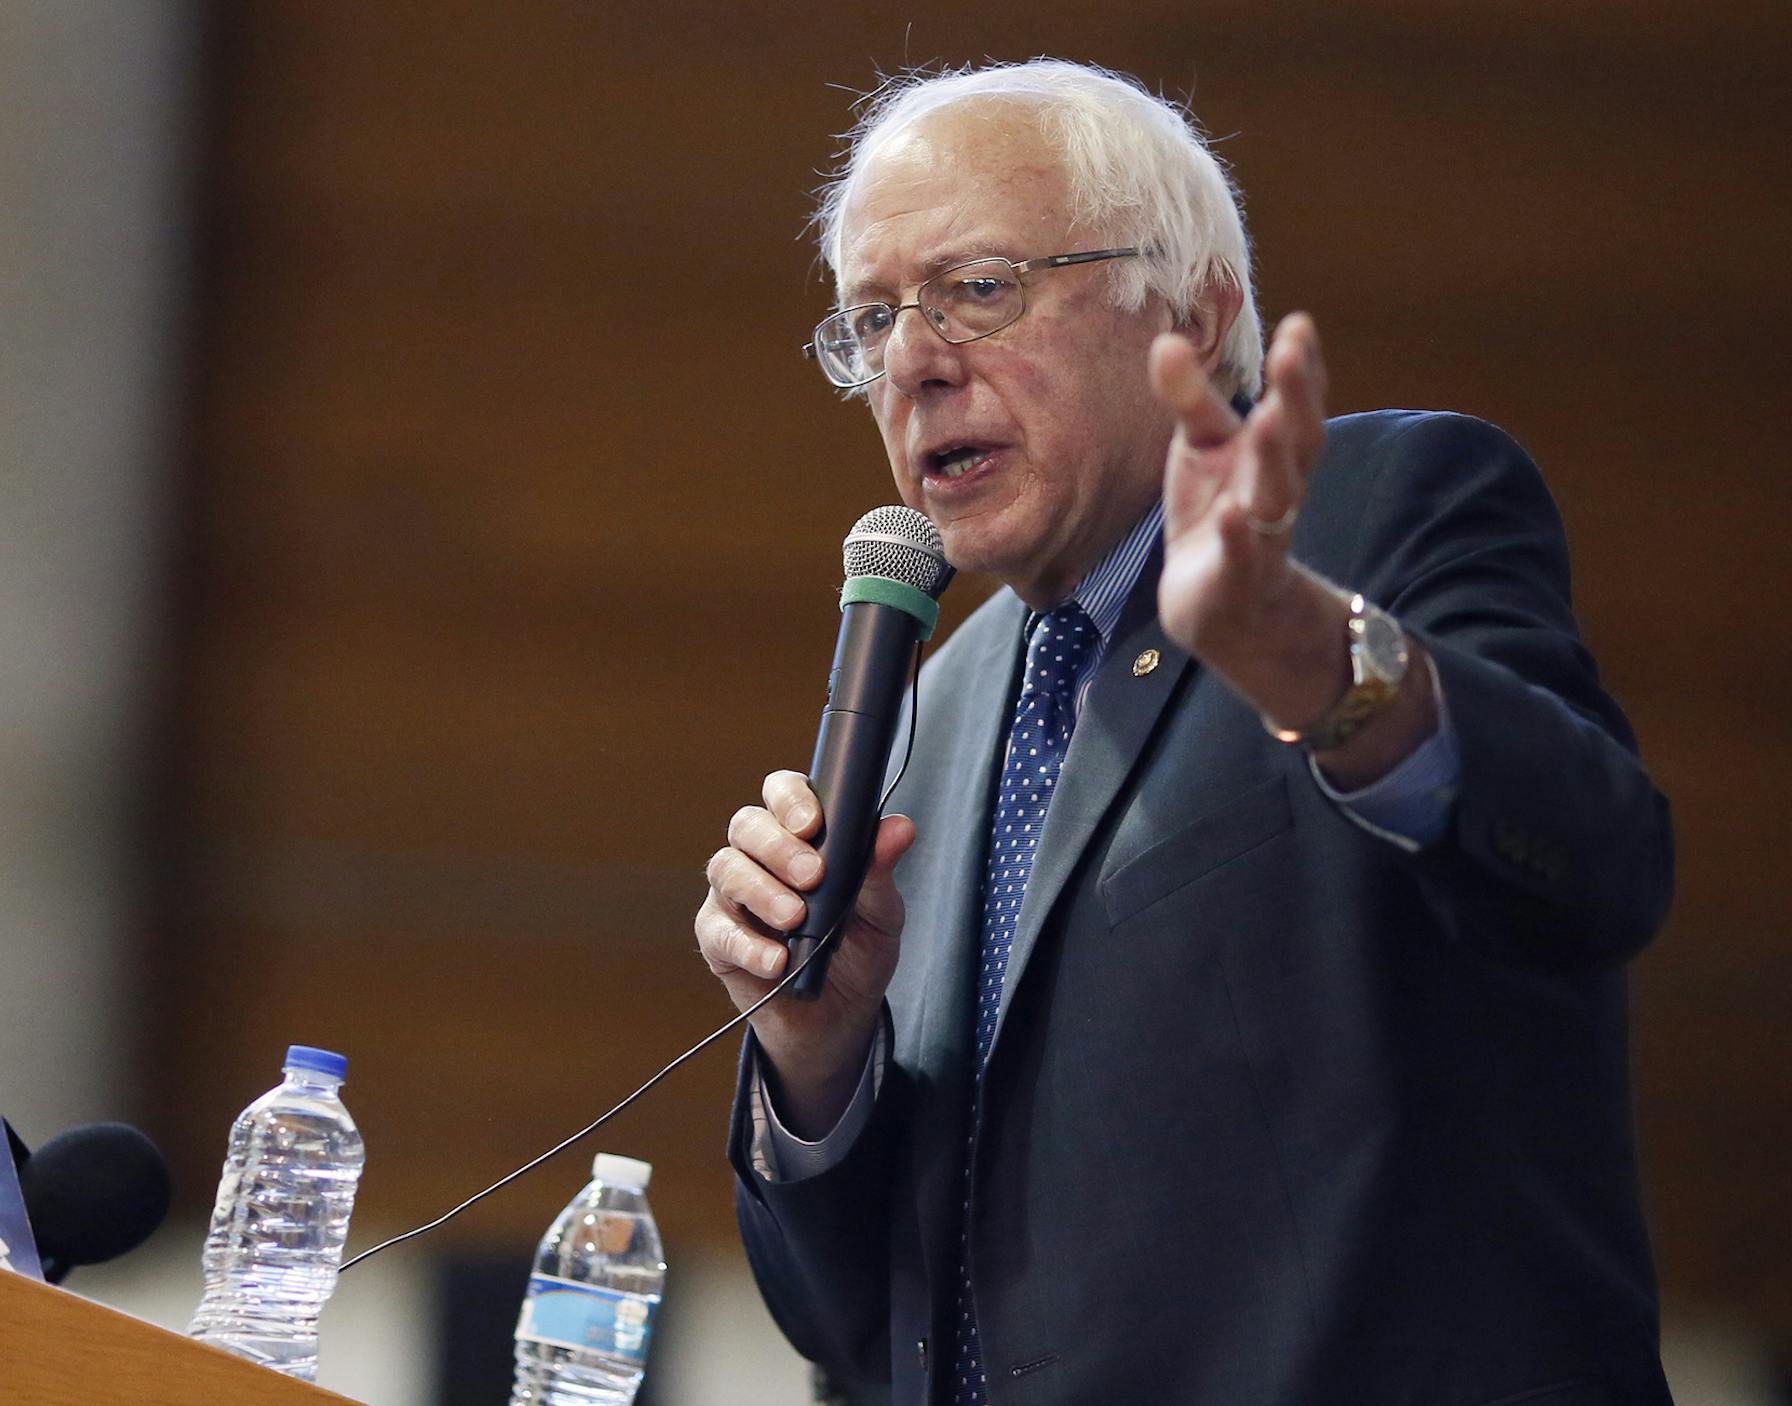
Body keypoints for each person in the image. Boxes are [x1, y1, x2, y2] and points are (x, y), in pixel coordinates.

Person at [694, 59, 1674, 1404]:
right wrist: (815, 1058)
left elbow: (1603, 860)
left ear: (1198, 312)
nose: (911, 361)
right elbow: (851, 1327)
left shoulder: (1374, 515)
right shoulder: (932, 706)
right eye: (871, 320)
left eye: (979, 288)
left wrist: (1313, 661)